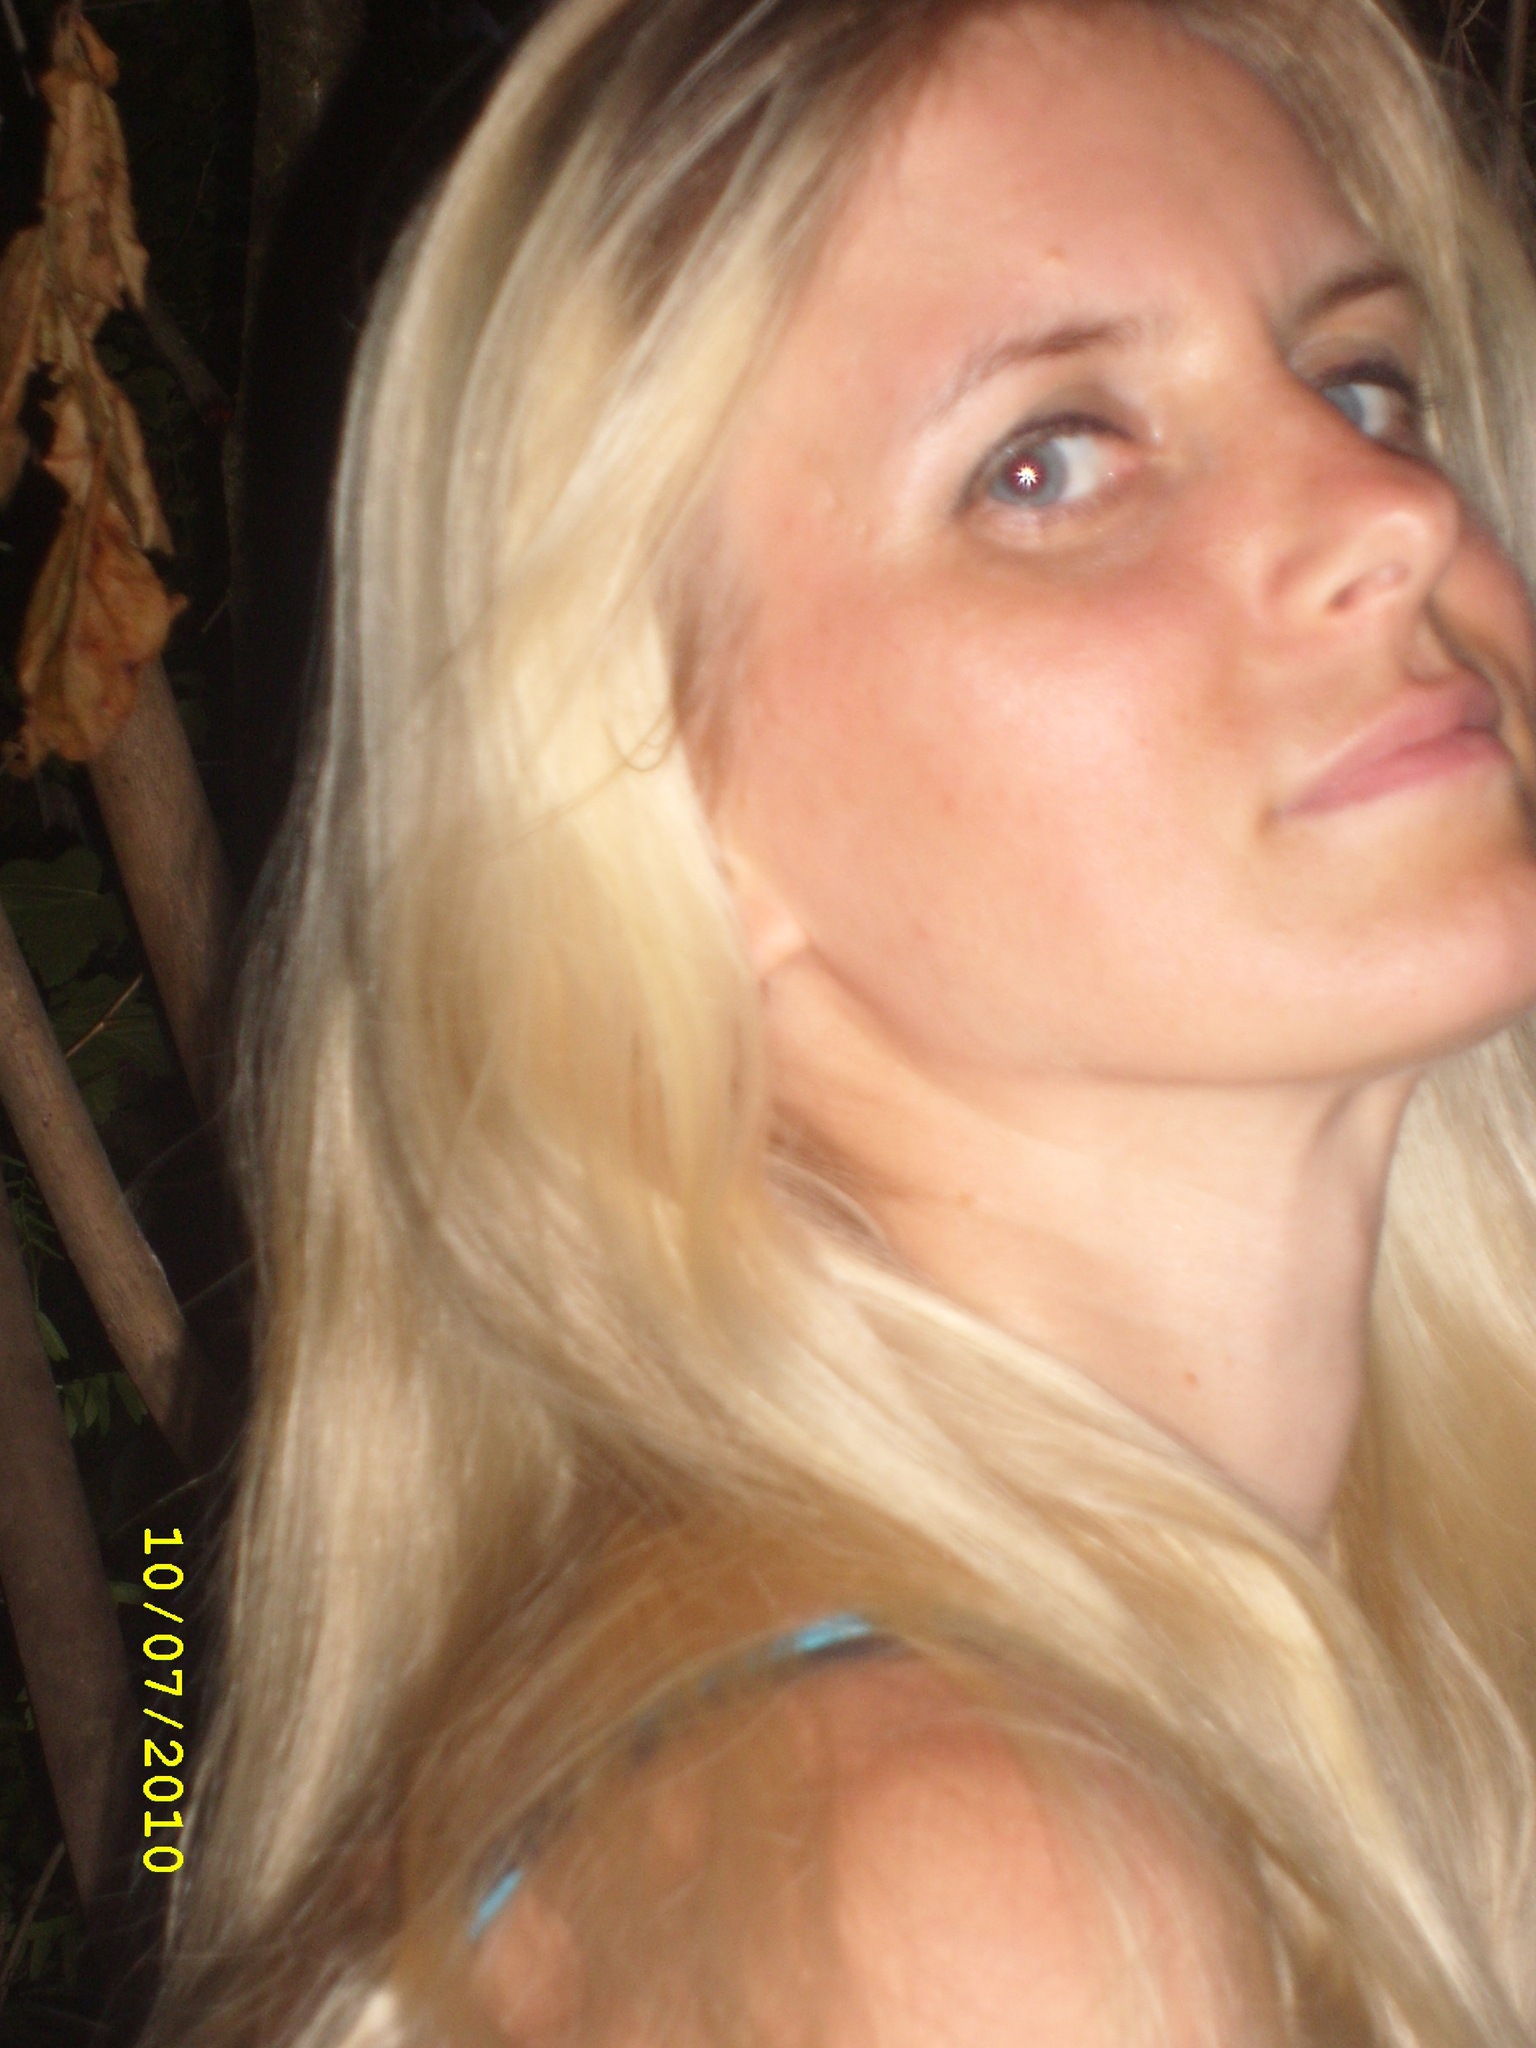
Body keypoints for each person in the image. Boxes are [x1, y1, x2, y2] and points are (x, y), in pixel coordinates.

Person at [142, 0, 1536, 2042]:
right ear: (655, 815)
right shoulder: (949, 1890)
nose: (1389, 510)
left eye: (1360, 379)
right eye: (1047, 461)